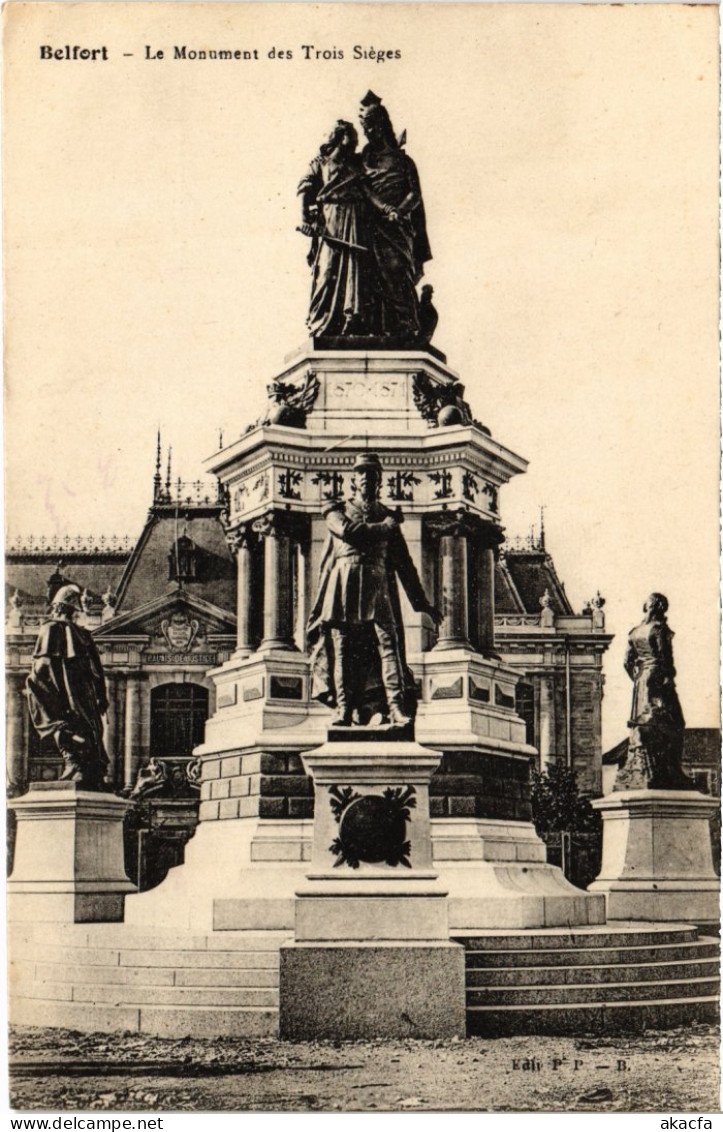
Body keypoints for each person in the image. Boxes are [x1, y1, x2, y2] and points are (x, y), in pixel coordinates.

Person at [308, 452, 440, 727]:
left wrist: (422, 604)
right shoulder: (337, 510)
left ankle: (396, 709)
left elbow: (405, 565)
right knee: (341, 649)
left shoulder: (388, 516)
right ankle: (343, 710)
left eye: (373, 475)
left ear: (380, 482)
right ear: (353, 480)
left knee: (389, 645)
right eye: (363, 475)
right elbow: (348, 531)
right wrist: (386, 527)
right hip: (345, 581)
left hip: (378, 583)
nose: (368, 479)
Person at [358, 91, 432, 341]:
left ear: (382, 125)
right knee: (369, 277)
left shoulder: (403, 161)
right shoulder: (362, 160)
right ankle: (374, 327)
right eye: (364, 126)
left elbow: (415, 194)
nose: (368, 131)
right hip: (369, 227)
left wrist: (399, 211)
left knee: (397, 272)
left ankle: (406, 325)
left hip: (398, 229)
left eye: (371, 125)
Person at [26, 583, 109, 789]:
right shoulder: (82, 634)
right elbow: (98, 673)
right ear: (73, 609)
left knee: (64, 725)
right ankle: (80, 766)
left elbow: (42, 666)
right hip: (82, 695)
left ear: (57, 607)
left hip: (68, 694)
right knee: (87, 730)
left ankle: (75, 763)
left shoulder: (51, 629)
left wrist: (36, 684)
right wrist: (101, 696)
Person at [298, 120, 374, 339]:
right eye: (354, 135)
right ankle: (320, 322)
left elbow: (369, 191)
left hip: (354, 219)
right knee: (327, 271)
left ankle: (352, 319)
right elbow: (305, 188)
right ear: (342, 136)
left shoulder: (355, 166)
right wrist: (305, 220)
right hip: (330, 221)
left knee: (353, 268)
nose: (358, 141)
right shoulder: (320, 162)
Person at [616, 592, 693, 791]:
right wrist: (668, 677)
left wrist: (637, 678)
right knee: (676, 722)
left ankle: (643, 767)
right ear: (660, 609)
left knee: (642, 722)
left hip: (641, 680)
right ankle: (671, 770)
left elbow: (626, 662)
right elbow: (665, 657)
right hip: (658, 677)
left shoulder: (635, 632)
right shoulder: (659, 630)